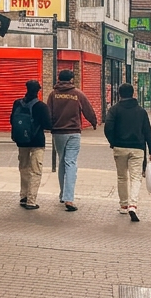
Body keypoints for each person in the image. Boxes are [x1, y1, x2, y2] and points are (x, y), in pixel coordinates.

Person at [104, 82, 151, 221]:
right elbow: (147, 132)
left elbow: (108, 128)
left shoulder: (114, 110)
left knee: (122, 177)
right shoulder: (141, 111)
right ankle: (133, 204)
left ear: (119, 94)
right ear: (133, 94)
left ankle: (123, 206)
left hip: (119, 147)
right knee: (136, 177)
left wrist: (113, 142)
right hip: (137, 148)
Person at [47, 69, 97, 211]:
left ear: (58, 78)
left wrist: (49, 127)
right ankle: (69, 198)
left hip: (58, 133)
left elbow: (48, 112)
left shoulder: (53, 94)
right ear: (71, 80)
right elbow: (88, 109)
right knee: (71, 163)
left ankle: (63, 194)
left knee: (62, 162)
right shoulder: (77, 94)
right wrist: (93, 122)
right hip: (74, 132)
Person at [10, 80, 51, 210]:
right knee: (35, 171)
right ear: (38, 90)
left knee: (24, 168)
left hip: (21, 141)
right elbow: (48, 125)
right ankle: (31, 201)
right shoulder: (41, 106)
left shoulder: (17, 103)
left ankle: (23, 196)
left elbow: (12, 120)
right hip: (37, 142)